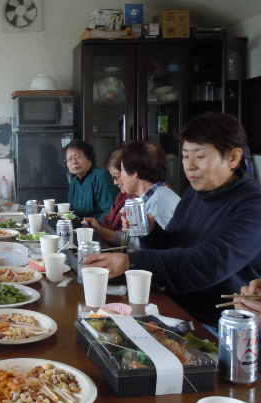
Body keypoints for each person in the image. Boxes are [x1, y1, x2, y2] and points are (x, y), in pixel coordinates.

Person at [83, 113, 261, 329]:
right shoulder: (196, 193)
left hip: (215, 324)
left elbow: (206, 263)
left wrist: (132, 260)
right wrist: (151, 232)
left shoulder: (252, 206)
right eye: (185, 156)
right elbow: (172, 245)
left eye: (200, 156)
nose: (190, 166)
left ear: (233, 158)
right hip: (174, 310)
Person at [83, 148, 136, 246]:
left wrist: (99, 230)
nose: (115, 182)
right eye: (113, 178)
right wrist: (96, 227)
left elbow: (130, 241)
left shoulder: (137, 199)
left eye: (117, 177)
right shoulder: (122, 196)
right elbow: (107, 221)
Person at [65, 140, 119, 223]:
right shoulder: (74, 182)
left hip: (101, 228)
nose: (74, 162)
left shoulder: (101, 176)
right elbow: (73, 212)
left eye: (78, 156)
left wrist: (92, 224)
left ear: (89, 158)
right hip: (82, 228)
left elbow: (111, 211)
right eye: (69, 159)